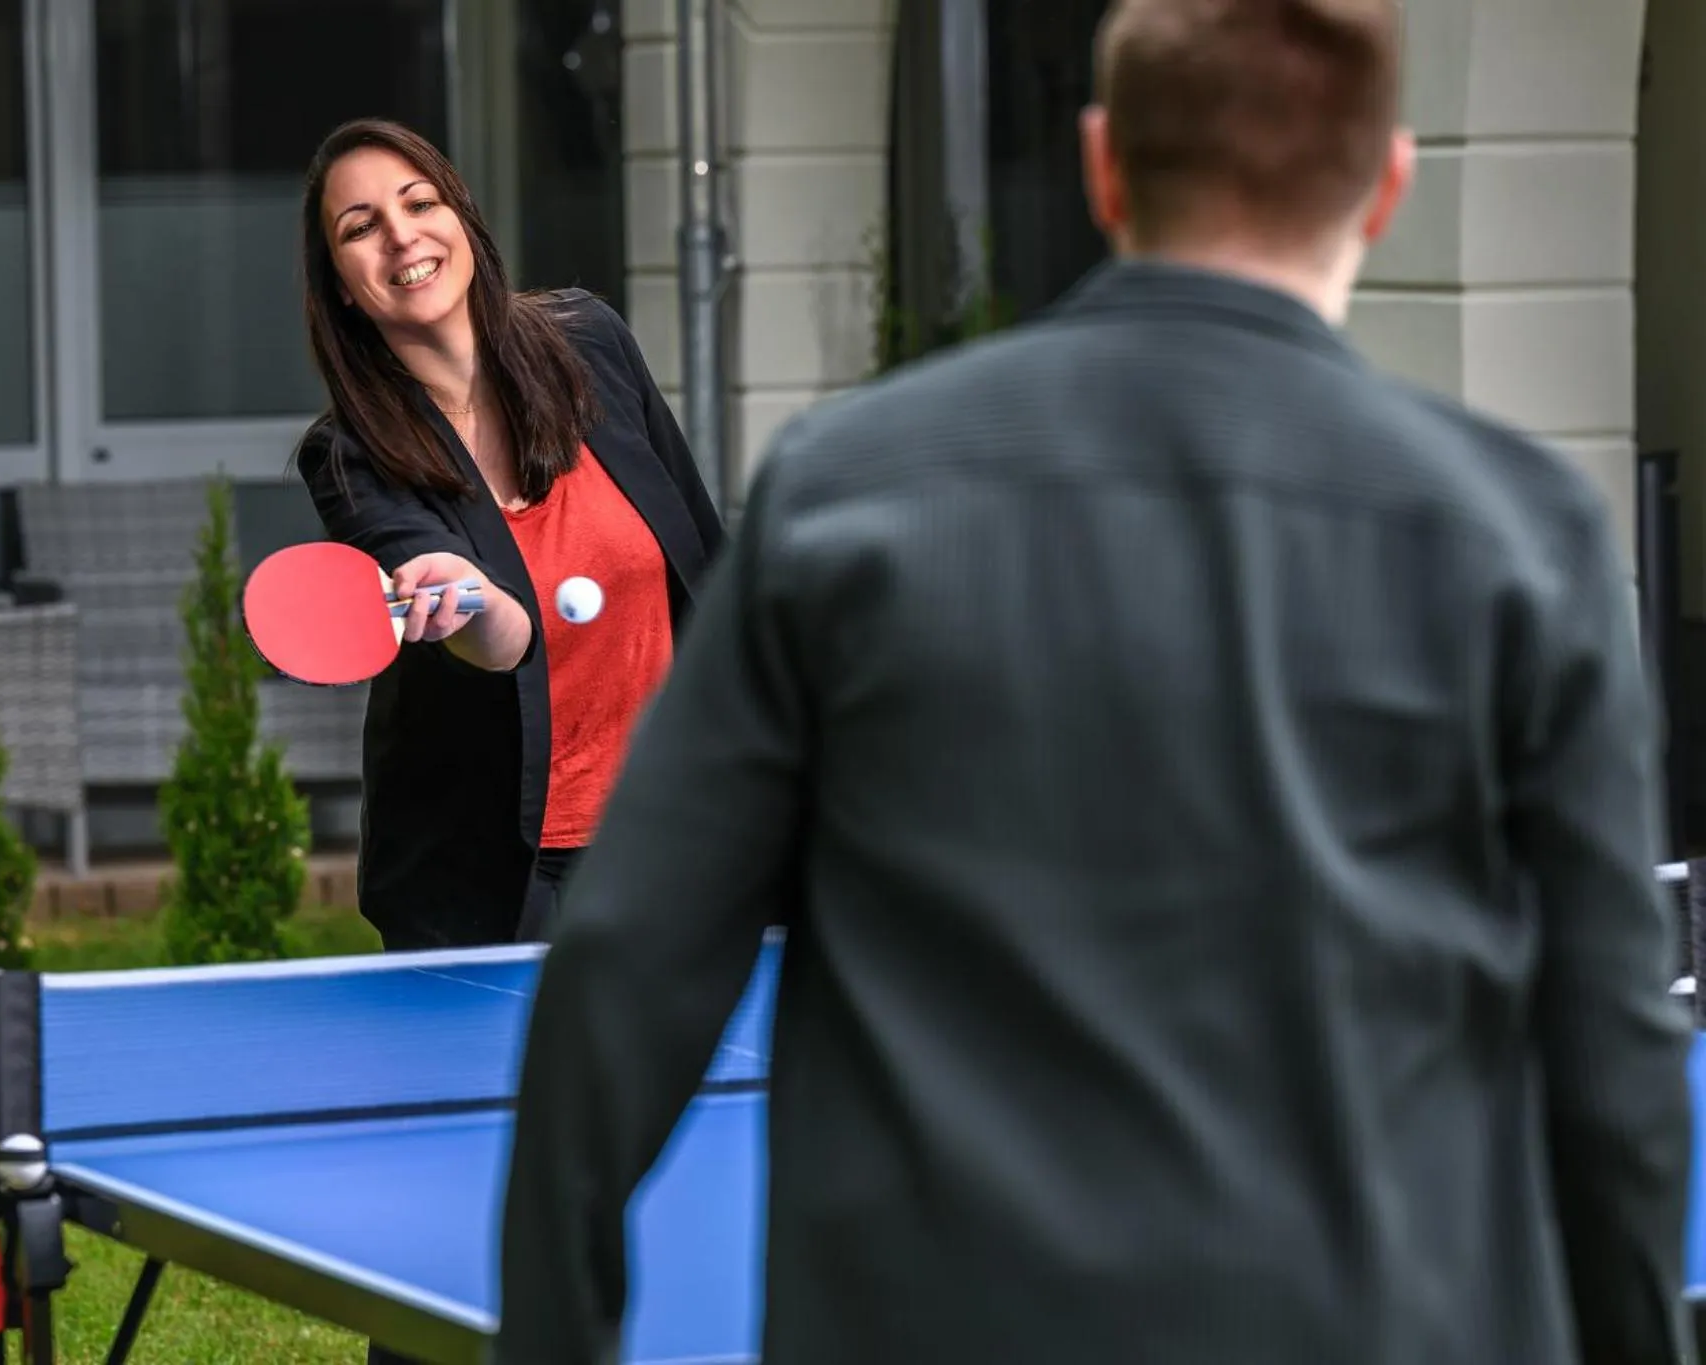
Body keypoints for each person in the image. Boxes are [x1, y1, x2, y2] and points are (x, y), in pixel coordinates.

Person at [495, 1, 1695, 1363]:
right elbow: (1613, 1055)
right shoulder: (1525, 531)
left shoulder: (847, 492)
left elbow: (627, 970)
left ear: (1102, 162)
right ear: (1386, 186)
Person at [291, 118, 723, 959]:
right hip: (495, 875)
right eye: (360, 227)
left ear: (462, 219)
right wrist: (465, 592)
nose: (401, 235)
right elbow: (501, 643)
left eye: (420, 202)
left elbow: (701, 561)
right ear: (342, 284)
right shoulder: (348, 453)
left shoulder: (591, 343)